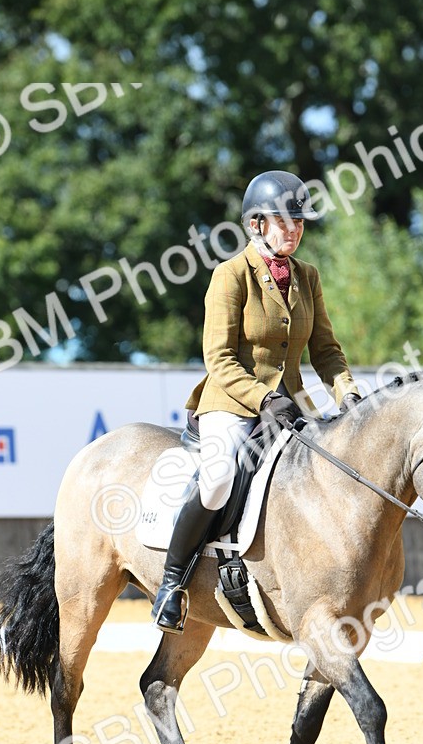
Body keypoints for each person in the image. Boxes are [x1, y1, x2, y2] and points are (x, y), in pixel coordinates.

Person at [151, 169, 362, 632]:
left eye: (299, 223)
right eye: (284, 221)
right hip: (232, 402)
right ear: (256, 225)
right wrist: (264, 397)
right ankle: (172, 582)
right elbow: (219, 358)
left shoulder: (308, 276)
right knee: (218, 478)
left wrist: (349, 394)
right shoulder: (230, 276)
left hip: (292, 404)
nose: (294, 230)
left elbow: (326, 350)